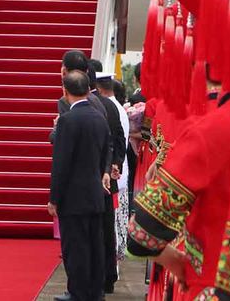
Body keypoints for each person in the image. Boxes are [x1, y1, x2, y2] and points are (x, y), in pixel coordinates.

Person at [48, 70, 111, 301]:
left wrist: (54, 197)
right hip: (94, 193)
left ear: (65, 92)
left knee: (75, 249)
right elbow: (106, 152)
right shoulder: (99, 117)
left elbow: (61, 163)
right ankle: (95, 291)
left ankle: (77, 292)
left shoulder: (67, 120)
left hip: (73, 197)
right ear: (87, 89)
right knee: (95, 246)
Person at [97, 73, 131, 266]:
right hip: (118, 172)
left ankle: (112, 267)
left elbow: (118, 142)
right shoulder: (116, 107)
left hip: (113, 175)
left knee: (112, 226)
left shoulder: (109, 108)